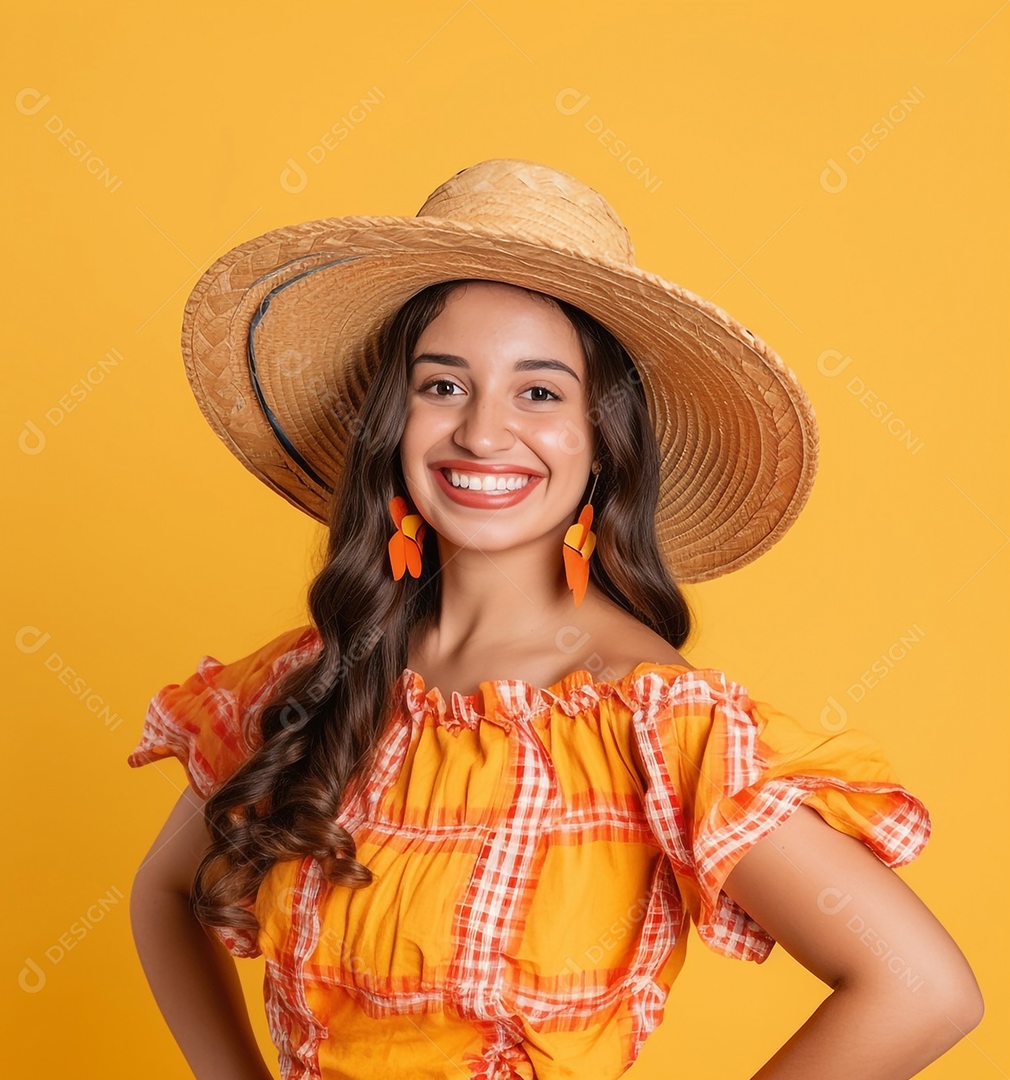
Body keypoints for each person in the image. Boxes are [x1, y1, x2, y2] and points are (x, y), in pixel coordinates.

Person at [127, 159, 982, 1080]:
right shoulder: (323, 672)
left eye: (539, 391)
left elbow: (922, 989)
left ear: (601, 441)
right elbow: (165, 893)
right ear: (392, 421)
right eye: (442, 385)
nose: (483, 435)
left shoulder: (644, 719)